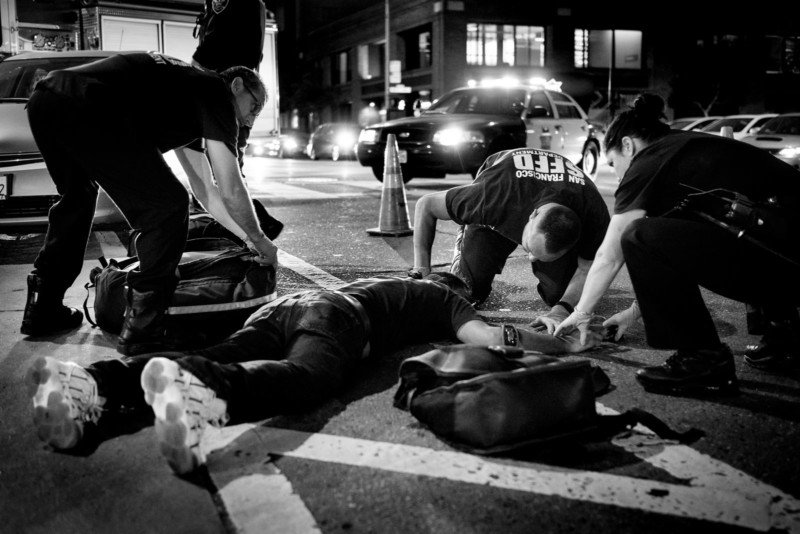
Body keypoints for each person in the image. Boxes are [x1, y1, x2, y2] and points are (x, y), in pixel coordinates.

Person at [26, 273, 602, 475]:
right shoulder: (442, 300)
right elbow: (486, 338)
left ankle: (91, 384)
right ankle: (207, 395)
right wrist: (549, 340)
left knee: (229, 348)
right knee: (312, 375)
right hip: (335, 315)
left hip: (285, 306)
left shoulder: (400, 281)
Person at [20, 52, 278, 358]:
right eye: (255, 107)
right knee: (167, 207)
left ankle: (44, 307)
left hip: (46, 101)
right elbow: (232, 187)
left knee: (78, 197)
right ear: (237, 85)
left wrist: (248, 238)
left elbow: (207, 191)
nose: (251, 119)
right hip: (92, 104)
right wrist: (263, 241)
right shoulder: (216, 92)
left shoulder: (189, 95)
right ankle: (143, 329)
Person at [554, 94, 800, 396]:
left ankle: (702, 359)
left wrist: (581, 313)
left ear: (628, 145)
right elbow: (690, 245)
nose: (618, 174)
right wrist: (635, 312)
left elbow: (610, 253)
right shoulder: (683, 147)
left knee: (638, 235)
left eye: (613, 162)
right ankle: (785, 337)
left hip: (787, 261)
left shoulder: (649, 161)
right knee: (699, 228)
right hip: (786, 252)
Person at [411, 147, 610, 331]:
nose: (530, 258)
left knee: (560, 298)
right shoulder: (491, 196)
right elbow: (425, 205)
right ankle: (469, 238)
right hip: (508, 183)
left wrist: (562, 309)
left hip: (546, 194)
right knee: (468, 292)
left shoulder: (595, 217)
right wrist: (422, 271)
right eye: (530, 249)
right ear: (531, 216)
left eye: (538, 255)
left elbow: (587, 268)